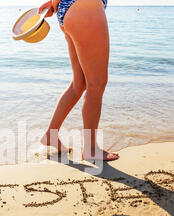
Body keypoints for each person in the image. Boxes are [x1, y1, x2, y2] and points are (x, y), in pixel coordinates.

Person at [39, 0, 119, 161]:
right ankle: (90, 150)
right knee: (96, 85)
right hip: (85, 8)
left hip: (68, 10)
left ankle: (51, 134)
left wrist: (55, 2)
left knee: (79, 83)